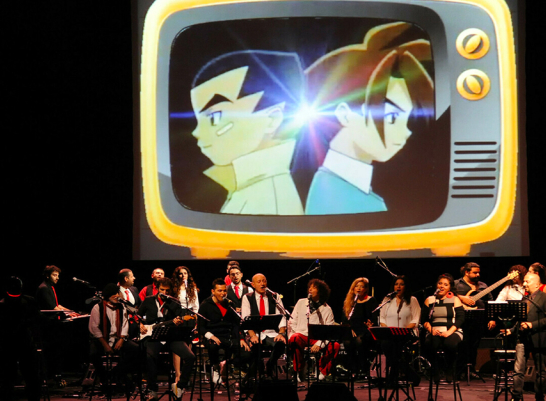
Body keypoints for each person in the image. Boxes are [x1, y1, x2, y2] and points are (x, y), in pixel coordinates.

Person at [298, 22, 435, 215]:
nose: (406, 132)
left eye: (407, 118)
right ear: (345, 114)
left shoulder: (340, 187)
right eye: (392, 117)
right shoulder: (338, 194)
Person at [190, 50, 305, 215]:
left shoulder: (268, 199)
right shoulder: (249, 188)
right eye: (198, 119)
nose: (196, 132)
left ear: (272, 119)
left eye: (214, 117)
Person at [502, 273, 546, 401]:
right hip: (523, 338)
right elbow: (520, 320)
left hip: (539, 338)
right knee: (518, 370)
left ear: (537, 284)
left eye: (527, 281)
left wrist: (532, 325)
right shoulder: (524, 298)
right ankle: (516, 396)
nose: (524, 284)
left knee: (540, 371)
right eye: (524, 281)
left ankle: (539, 396)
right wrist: (511, 331)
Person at [0, 276, 42, 401]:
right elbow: (37, 320)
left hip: (11, 344)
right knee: (28, 376)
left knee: (11, 378)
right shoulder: (28, 301)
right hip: (20, 344)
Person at [197, 278, 251, 386]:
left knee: (247, 353)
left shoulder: (229, 304)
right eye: (219, 291)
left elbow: (236, 324)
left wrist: (241, 338)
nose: (223, 293)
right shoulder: (205, 305)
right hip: (213, 336)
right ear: (213, 291)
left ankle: (227, 364)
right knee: (213, 346)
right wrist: (211, 336)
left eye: (224, 290)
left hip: (228, 336)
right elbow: (201, 327)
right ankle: (215, 368)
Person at [88, 283, 139, 395]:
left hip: (118, 338)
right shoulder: (98, 307)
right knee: (93, 354)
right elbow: (94, 328)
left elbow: (125, 325)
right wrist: (105, 345)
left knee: (136, 350)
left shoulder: (122, 307)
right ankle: (104, 378)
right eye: (114, 294)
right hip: (102, 339)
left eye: (117, 293)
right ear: (108, 295)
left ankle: (116, 373)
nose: (117, 295)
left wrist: (121, 340)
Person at [288, 278, 339, 382]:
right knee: (294, 339)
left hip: (318, 338)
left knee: (335, 346)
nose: (310, 289)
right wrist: (293, 335)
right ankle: (299, 368)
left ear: (320, 291)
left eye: (314, 287)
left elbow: (329, 331)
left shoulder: (327, 309)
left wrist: (319, 344)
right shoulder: (301, 302)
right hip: (302, 335)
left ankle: (321, 369)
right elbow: (292, 321)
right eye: (309, 287)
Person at [241, 273, 288, 377]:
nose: (262, 284)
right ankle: (259, 371)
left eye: (264, 281)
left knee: (280, 344)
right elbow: (245, 319)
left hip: (271, 333)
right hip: (255, 333)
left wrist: (281, 333)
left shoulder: (274, 296)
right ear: (253, 285)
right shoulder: (247, 297)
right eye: (259, 282)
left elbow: (282, 316)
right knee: (255, 348)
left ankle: (270, 365)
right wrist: (253, 335)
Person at [379, 275, 421, 386]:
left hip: (406, 334)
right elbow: (382, 318)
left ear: (406, 287)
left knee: (395, 347)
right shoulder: (387, 300)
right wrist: (387, 331)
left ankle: (391, 378)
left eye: (401, 284)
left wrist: (403, 331)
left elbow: (415, 319)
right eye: (396, 284)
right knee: (386, 345)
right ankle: (411, 375)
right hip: (390, 334)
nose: (398, 287)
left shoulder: (412, 300)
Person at [422, 273, 465, 382]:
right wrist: (431, 330)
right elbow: (424, 319)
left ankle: (449, 369)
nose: (442, 286)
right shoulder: (430, 300)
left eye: (445, 284)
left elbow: (460, 318)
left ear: (450, 287)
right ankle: (435, 370)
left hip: (452, 330)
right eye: (440, 283)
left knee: (450, 343)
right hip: (434, 331)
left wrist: (449, 332)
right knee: (430, 343)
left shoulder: (455, 299)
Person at [453, 262, 491, 378]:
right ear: (466, 272)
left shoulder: (483, 285)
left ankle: (472, 369)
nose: (478, 275)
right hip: (461, 320)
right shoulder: (456, 284)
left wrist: (492, 319)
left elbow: (490, 302)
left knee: (474, 346)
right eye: (475, 273)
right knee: (461, 346)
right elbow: (448, 295)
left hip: (478, 320)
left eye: (478, 272)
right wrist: (462, 298)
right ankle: (460, 370)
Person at [340, 277, 378, 378]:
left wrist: (371, 324)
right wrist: (350, 329)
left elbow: (375, 317)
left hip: (366, 330)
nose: (359, 288)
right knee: (347, 342)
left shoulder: (371, 300)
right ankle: (353, 368)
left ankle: (364, 368)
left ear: (366, 289)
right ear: (353, 288)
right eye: (357, 286)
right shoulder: (350, 302)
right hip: (352, 329)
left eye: (362, 286)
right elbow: (345, 319)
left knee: (360, 341)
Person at [171, 266, 199, 386]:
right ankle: (178, 374)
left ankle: (186, 375)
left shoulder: (192, 288)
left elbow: (196, 305)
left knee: (188, 345)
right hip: (178, 315)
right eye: (181, 274)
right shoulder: (174, 288)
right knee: (178, 345)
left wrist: (196, 320)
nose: (183, 276)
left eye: (185, 273)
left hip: (190, 315)